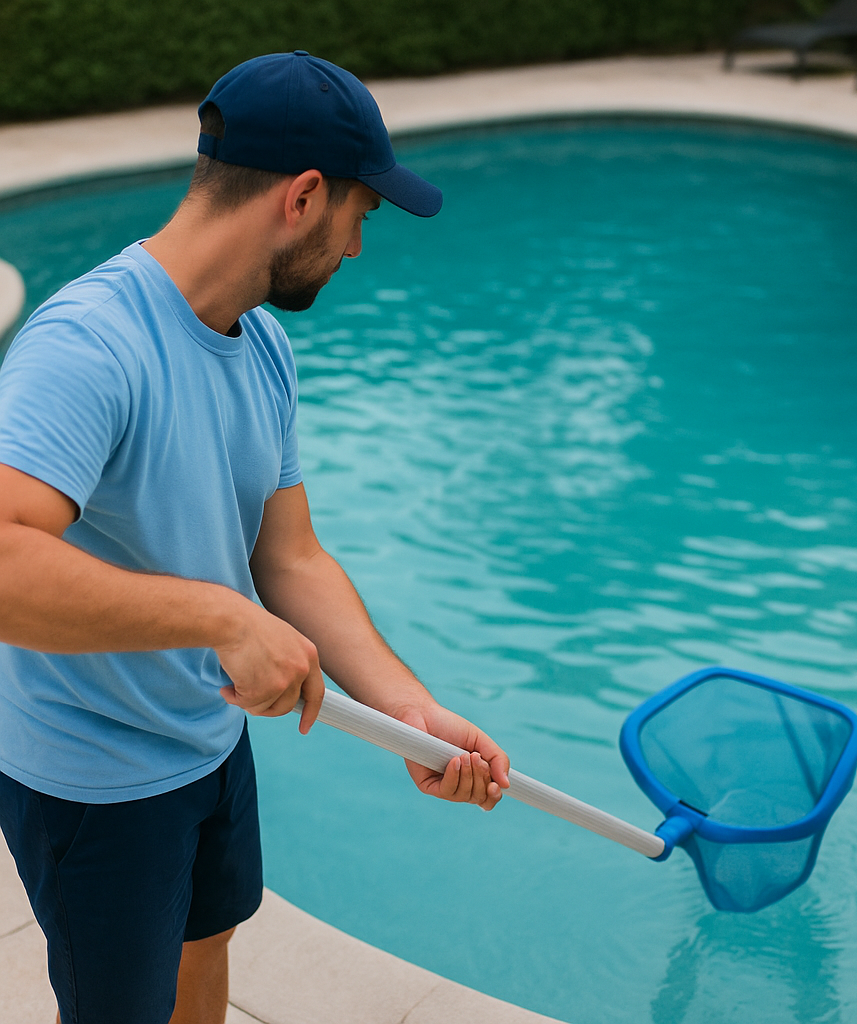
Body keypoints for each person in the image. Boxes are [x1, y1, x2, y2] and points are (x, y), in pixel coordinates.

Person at [0, 51, 510, 1024]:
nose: (355, 248)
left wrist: (411, 711)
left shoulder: (261, 343)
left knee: (206, 961)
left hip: (207, 743)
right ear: (304, 197)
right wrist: (221, 618)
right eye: (361, 215)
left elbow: (291, 557)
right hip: (95, 781)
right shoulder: (89, 345)